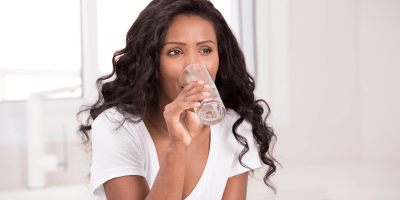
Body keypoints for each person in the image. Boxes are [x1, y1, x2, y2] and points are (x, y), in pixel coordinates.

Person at [77, 0, 280, 199]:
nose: (193, 64)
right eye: (175, 52)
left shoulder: (234, 126)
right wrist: (178, 146)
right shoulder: (115, 126)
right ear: (152, 63)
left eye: (206, 50)